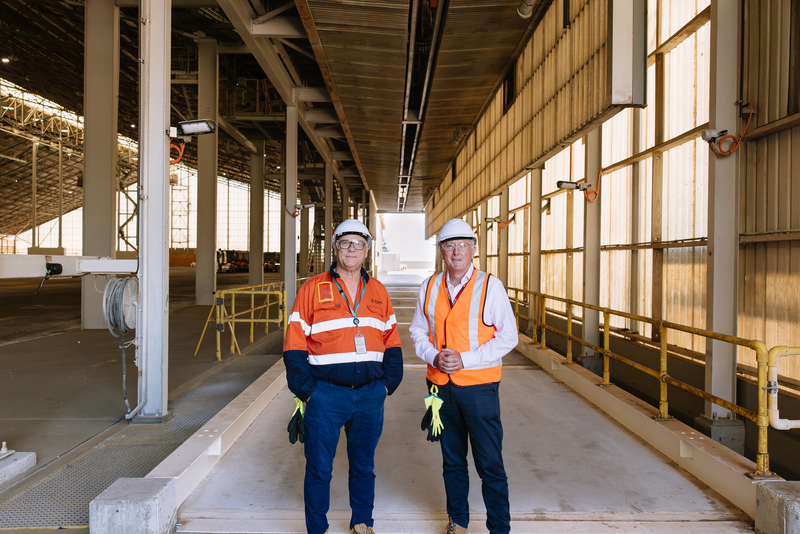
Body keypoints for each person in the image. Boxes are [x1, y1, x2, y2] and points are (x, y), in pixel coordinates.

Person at [283, 218, 404, 534]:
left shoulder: (377, 291)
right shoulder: (312, 288)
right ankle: (317, 529)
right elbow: (294, 344)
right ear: (335, 247)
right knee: (319, 469)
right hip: (326, 395)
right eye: (346, 243)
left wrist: (387, 385)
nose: (352, 249)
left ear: (366, 250)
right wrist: (309, 391)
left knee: (364, 467)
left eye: (359, 244)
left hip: (369, 396)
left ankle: (362, 522)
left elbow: (392, 340)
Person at [409, 218, 518, 534]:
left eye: (462, 245)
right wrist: (433, 355)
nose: (456, 252)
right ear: (442, 251)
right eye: (449, 246)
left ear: (473, 249)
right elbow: (417, 329)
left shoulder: (489, 286)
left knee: (489, 464)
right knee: (452, 462)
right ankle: (458, 521)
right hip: (440, 389)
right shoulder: (429, 286)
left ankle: (499, 527)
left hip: (479, 389)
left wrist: (464, 360)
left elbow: (508, 337)